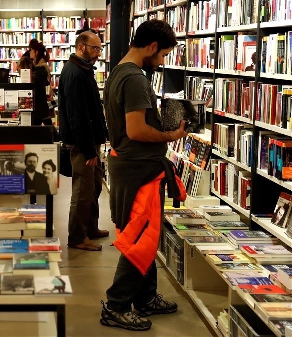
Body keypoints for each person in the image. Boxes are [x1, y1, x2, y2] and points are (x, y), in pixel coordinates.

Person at [100, 20, 187, 331]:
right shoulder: (135, 79)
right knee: (139, 239)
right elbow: (136, 130)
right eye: (162, 55)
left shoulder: (118, 71)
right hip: (138, 170)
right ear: (151, 47)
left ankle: (145, 297)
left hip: (134, 167)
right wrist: (171, 135)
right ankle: (116, 305)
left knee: (147, 238)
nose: (162, 61)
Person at [58, 31, 108, 252]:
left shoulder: (83, 70)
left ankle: (90, 227)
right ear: (81, 47)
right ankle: (77, 236)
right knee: (83, 191)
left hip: (91, 143)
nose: (98, 53)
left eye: (100, 48)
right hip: (82, 145)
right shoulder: (76, 73)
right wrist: (88, 151)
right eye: (95, 48)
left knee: (95, 186)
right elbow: (78, 116)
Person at [30, 42, 54, 126]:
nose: (30, 52)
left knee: (44, 125)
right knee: (47, 125)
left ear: (36, 52)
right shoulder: (40, 65)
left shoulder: (41, 68)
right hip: (42, 102)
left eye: (31, 50)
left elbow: (44, 84)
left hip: (41, 102)